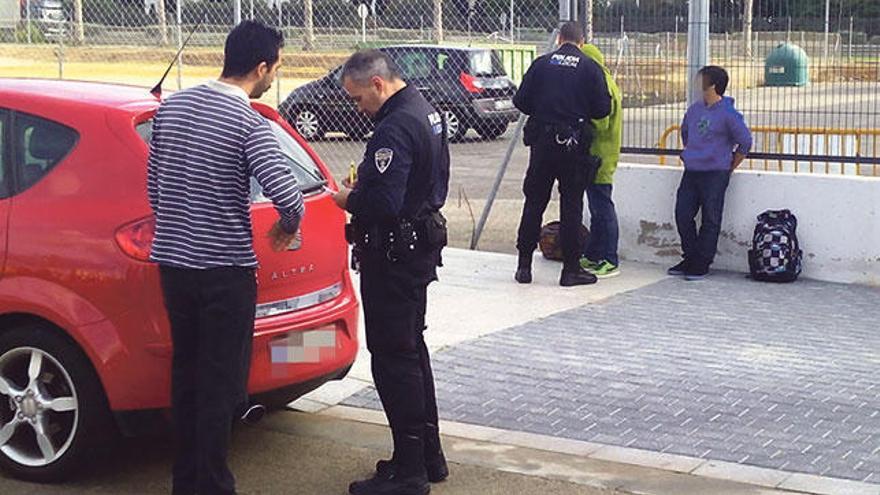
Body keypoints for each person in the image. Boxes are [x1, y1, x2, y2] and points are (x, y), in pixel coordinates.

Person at [147, 20, 304, 495]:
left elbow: (155, 189)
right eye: (276, 66)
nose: (275, 74)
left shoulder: (171, 109)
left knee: (187, 373)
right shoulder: (248, 122)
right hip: (225, 271)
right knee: (220, 383)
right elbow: (288, 195)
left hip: (174, 267)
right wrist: (286, 226)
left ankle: (186, 479)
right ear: (261, 68)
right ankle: (212, 484)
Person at [332, 50, 450, 495]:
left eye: (359, 98)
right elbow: (428, 182)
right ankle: (426, 456)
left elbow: (385, 204)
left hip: (395, 258)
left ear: (378, 84)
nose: (358, 108)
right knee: (412, 352)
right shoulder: (427, 110)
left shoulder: (395, 127)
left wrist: (348, 199)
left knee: (393, 359)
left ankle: (409, 472)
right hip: (417, 248)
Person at [513, 21, 612, 287]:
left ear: (559, 39)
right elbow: (603, 109)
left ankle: (524, 266)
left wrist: (544, 110)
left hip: (542, 144)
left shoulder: (541, 64)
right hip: (573, 144)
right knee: (571, 205)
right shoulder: (591, 68)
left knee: (534, 201)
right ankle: (570, 270)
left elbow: (520, 101)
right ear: (582, 42)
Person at [669, 65, 752, 281]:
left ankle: (702, 262)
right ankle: (690, 256)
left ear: (713, 85)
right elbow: (685, 132)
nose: (697, 84)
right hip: (692, 170)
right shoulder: (694, 110)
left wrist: (729, 165)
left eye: (702, 80)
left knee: (711, 218)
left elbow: (745, 141)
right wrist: (692, 153)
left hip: (715, 172)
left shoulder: (729, 114)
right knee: (683, 214)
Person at [579, 43, 622, 279]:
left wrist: (580, 119)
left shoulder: (601, 86)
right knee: (596, 207)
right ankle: (594, 254)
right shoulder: (605, 81)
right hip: (600, 155)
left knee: (603, 207)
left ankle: (609, 258)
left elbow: (601, 122)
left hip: (600, 156)